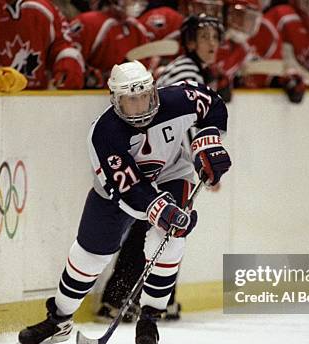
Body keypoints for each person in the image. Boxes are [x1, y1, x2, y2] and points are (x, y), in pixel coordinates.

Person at [17, 60, 231, 344]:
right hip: (117, 193)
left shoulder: (178, 99)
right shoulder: (104, 133)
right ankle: (58, 320)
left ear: (153, 91)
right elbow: (130, 189)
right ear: (116, 101)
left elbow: (213, 103)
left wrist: (208, 141)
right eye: (131, 100)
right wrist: (162, 210)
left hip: (171, 176)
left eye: (144, 95)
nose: (141, 105)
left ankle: (150, 316)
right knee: (88, 257)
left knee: (167, 241)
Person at [94, 13, 225, 324]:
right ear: (189, 41)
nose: (212, 44)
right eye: (203, 37)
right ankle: (120, 297)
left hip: (161, 159)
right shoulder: (186, 69)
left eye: (215, 38)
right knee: (156, 225)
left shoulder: (189, 68)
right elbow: (178, 117)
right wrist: (201, 154)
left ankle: (133, 297)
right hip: (155, 161)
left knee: (163, 226)